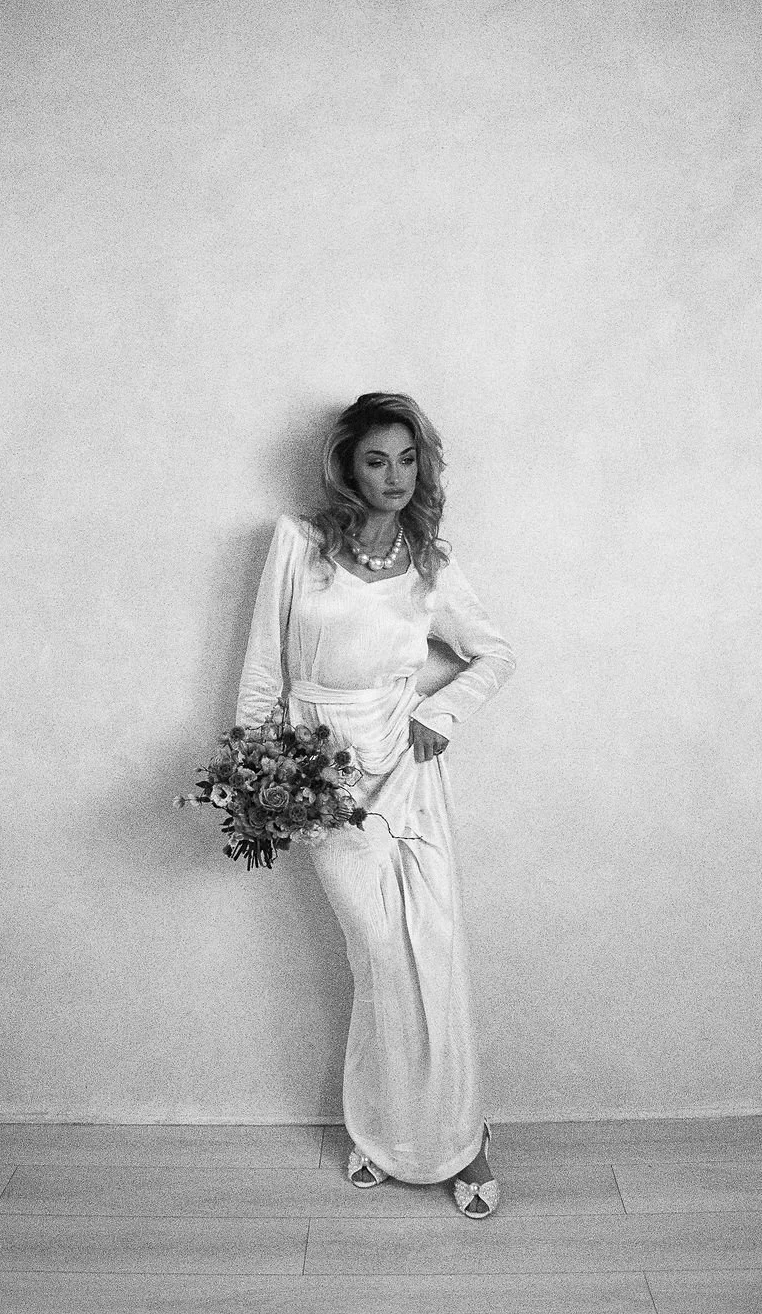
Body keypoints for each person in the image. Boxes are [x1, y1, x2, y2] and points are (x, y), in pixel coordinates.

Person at [236, 391, 516, 1217]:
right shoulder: (298, 544)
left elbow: (494, 654)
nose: (395, 476)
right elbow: (263, 670)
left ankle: (463, 1142)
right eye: (375, 459)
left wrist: (443, 712)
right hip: (319, 778)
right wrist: (257, 776)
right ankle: (390, 1135)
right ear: (348, 467)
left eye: (407, 459)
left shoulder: (433, 562)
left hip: (408, 768)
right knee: (380, 959)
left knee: (435, 950)